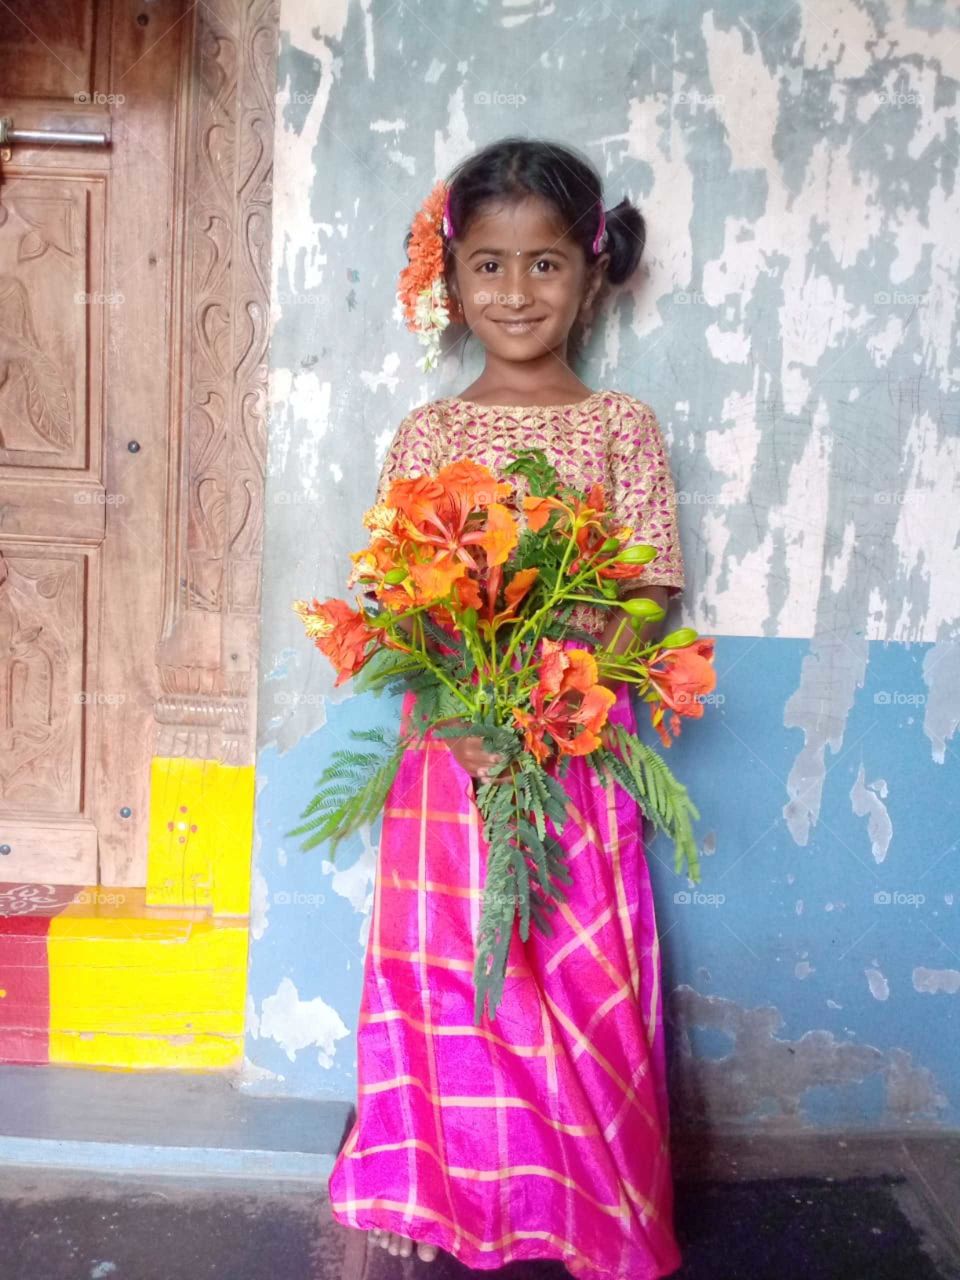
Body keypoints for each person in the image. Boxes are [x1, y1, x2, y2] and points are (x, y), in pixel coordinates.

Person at [327, 136, 685, 1280]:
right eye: (488, 265)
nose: (515, 292)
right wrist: (466, 713)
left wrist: (572, 688)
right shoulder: (428, 435)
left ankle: (585, 1198)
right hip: (450, 752)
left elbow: (650, 591)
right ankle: (436, 1181)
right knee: (454, 971)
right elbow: (393, 600)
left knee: (571, 969)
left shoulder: (621, 426)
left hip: (577, 748)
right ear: (451, 274)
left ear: (590, 273)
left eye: (543, 265)